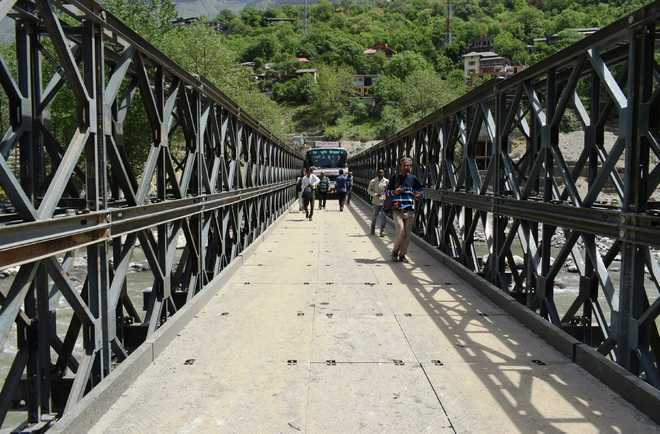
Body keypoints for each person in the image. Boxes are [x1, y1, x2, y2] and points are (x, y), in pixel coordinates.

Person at [387, 157, 423, 262]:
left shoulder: (413, 178)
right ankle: (394, 252)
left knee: (407, 235)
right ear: (400, 166)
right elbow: (386, 193)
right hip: (397, 210)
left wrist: (418, 195)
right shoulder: (394, 178)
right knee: (401, 232)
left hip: (410, 210)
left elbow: (421, 191)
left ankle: (402, 255)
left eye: (409, 165)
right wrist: (394, 192)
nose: (408, 167)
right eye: (405, 165)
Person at [367, 168, 389, 237]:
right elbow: (369, 190)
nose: (381, 174)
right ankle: (372, 230)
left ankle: (382, 231)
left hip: (383, 201)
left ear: (384, 173)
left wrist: (387, 197)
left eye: (382, 172)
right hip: (376, 202)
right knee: (374, 217)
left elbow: (388, 190)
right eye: (379, 172)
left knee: (383, 217)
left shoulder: (386, 181)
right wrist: (375, 194)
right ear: (377, 173)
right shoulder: (373, 181)